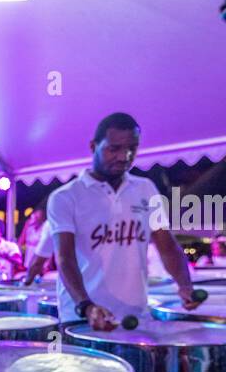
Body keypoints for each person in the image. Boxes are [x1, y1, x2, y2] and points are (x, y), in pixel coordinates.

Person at [46, 112, 202, 329]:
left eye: (132, 148)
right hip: (83, 318)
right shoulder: (65, 197)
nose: (124, 156)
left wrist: (184, 285)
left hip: (135, 317)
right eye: (114, 149)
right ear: (93, 147)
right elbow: (65, 258)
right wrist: (86, 306)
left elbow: (167, 245)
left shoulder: (146, 189)